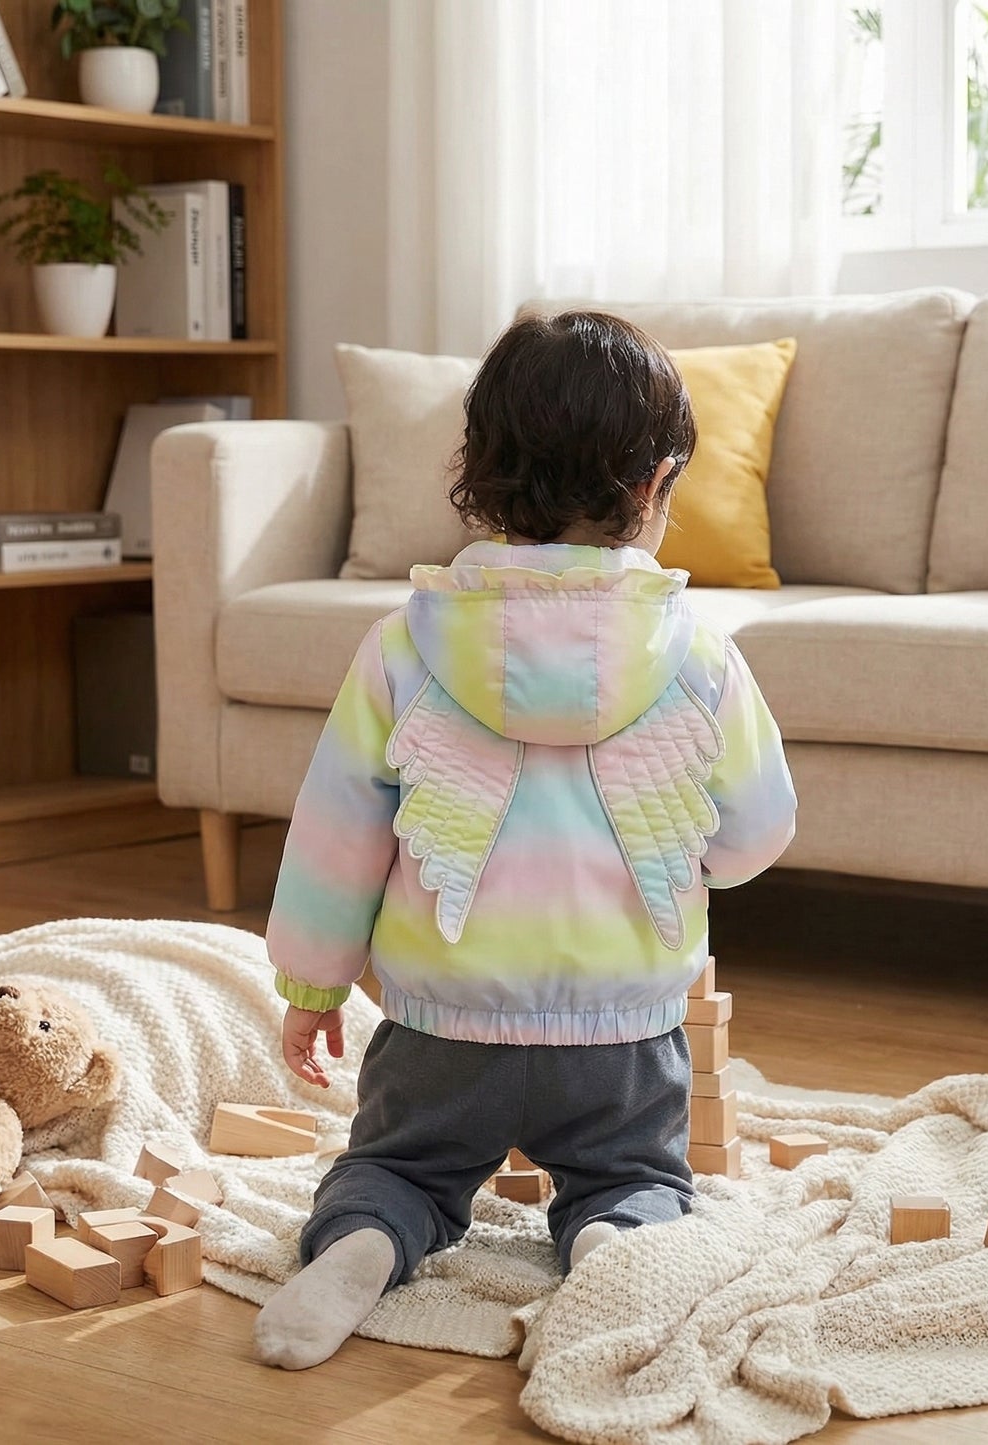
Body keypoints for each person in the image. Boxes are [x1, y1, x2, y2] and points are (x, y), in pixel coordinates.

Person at [254, 310, 796, 1370]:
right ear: (657, 481)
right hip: (620, 1032)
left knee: (395, 1167)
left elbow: (336, 834)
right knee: (633, 1175)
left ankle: (366, 1238)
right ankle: (605, 1233)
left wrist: (313, 986)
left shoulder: (403, 643)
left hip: (442, 1024)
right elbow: (755, 828)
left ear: (477, 469)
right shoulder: (695, 651)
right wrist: (695, 866)